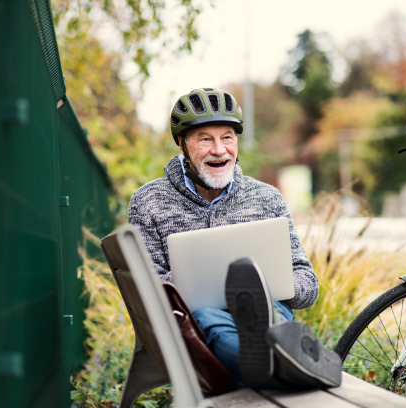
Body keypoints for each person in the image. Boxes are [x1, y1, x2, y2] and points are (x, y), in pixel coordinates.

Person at [128, 87, 341, 389]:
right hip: (194, 327)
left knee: (269, 311)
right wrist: (195, 284)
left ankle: (270, 361)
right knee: (208, 317)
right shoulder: (149, 201)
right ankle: (288, 365)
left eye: (227, 137)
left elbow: (307, 284)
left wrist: (278, 281)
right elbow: (149, 289)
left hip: (267, 312)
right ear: (182, 145)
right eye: (205, 139)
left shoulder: (267, 198)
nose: (219, 150)